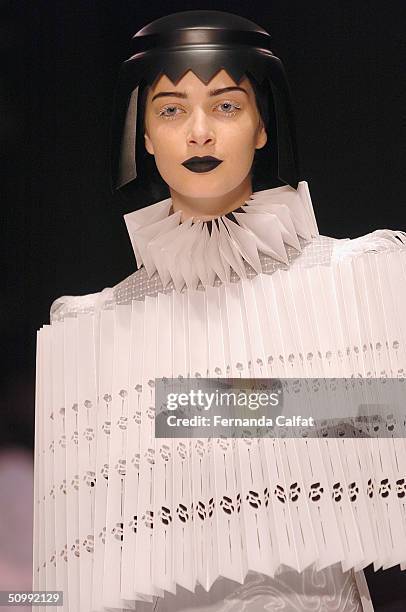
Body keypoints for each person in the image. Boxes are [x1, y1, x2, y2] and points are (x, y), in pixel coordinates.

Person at [33, 11, 406, 612]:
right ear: (144, 133)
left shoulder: (363, 278)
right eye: (171, 109)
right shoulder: (92, 330)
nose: (199, 133)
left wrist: (179, 406)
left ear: (263, 124)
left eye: (227, 105)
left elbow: (390, 429)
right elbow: (76, 568)